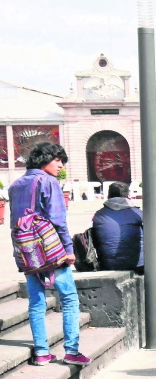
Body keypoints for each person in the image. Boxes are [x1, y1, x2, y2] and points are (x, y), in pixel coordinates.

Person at [8, 142, 87, 366]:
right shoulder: (48, 181)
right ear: (44, 159)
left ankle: (42, 351)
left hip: (26, 251)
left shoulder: (15, 185)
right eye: (57, 160)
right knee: (69, 299)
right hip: (51, 250)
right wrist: (69, 250)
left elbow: (15, 222)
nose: (60, 165)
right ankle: (71, 350)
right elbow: (58, 220)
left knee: (36, 301)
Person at [92, 182, 143, 272]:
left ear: (108, 195)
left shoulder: (99, 214)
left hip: (107, 264)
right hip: (137, 264)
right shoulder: (137, 213)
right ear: (128, 195)